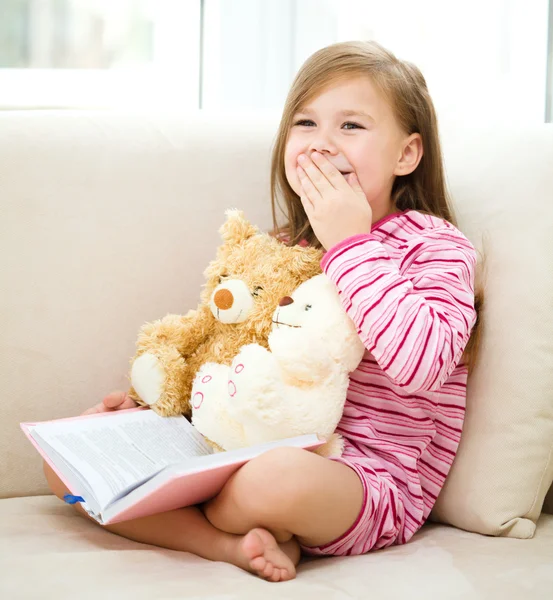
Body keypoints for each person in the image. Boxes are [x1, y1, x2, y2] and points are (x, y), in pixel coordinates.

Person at [44, 40, 483, 583]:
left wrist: (349, 243)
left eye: (351, 126)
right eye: (306, 123)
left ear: (406, 154)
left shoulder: (436, 246)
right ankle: (227, 544)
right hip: (239, 443)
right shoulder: (279, 249)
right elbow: (226, 351)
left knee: (269, 480)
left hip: (363, 477)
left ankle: (215, 511)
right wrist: (154, 409)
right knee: (67, 460)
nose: (322, 145)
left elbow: (423, 364)